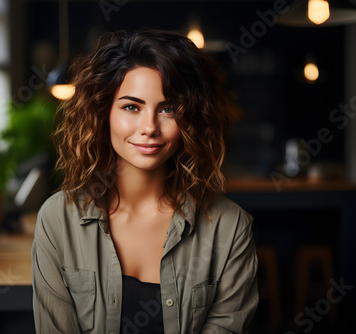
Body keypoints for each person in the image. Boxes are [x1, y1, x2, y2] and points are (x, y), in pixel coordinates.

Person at [31, 29, 258, 334]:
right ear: (104, 112)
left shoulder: (229, 227)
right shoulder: (58, 219)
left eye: (168, 109)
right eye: (131, 107)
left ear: (189, 118)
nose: (149, 127)